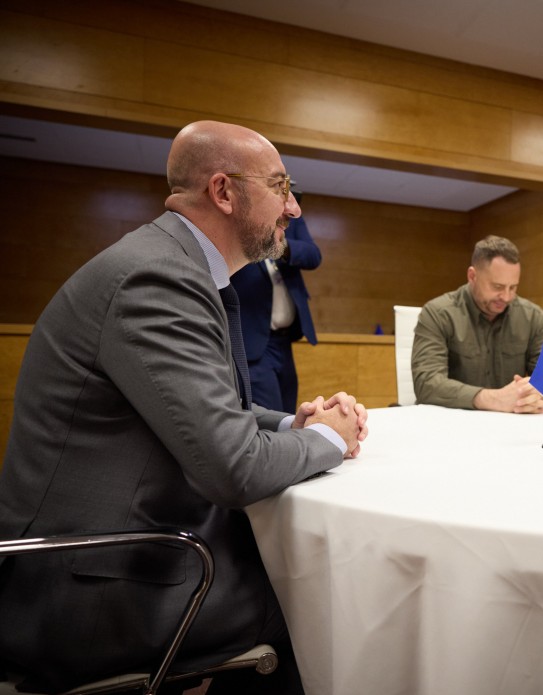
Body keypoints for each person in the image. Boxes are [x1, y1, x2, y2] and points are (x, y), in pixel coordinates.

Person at [0, 121, 368, 695]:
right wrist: (328, 440)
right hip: (89, 589)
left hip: (112, 548)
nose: (294, 208)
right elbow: (234, 469)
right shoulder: (158, 279)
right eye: (281, 186)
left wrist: (295, 423)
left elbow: (210, 412)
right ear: (224, 192)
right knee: (318, 599)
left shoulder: (174, 265)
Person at [412, 235, 543, 413]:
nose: (507, 297)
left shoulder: (533, 317)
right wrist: (491, 399)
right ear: (472, 276)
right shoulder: (437, 314)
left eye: (513, 287)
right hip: (451, 426)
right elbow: (426, 383)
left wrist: (538, 395)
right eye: (498, 287)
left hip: (513, 426)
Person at [230, 189, 321, 412]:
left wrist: (280, 245)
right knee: (271, 415)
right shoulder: (244, 218)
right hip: (254, 339)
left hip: (285, 340)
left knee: (289, 412)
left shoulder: (290, 218)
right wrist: (263, 237)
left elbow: (313, 255)